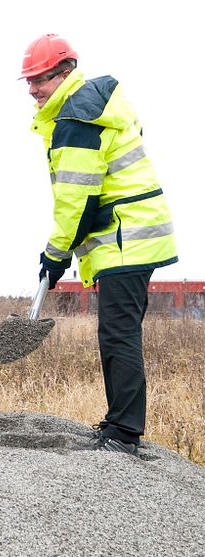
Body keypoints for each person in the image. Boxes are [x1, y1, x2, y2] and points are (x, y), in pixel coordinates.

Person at [19, 34, 178, 456]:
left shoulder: (77, 119)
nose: (34, 89)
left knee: (118, 334)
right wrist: (63, 251)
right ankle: (117, 421)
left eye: (42, 79)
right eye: (29, 81)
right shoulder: (93, 106)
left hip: (126, 236)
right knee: (117, 333)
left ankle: (124, 432)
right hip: (128, 233)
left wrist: (55, 255)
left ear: (66, 73)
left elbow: (77, 198)